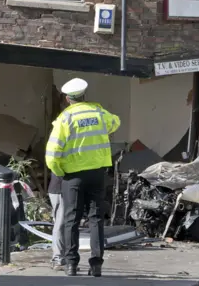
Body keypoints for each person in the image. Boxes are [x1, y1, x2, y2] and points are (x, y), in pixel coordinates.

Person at [45, 78, 121, 277]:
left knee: (72, 219)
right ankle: (96, 265)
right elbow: (116, 122)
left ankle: (71, 264)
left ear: (68, 98)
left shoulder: (65, 118)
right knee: (96, 219)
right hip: (97, 174)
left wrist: (60, 172)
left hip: (73, 177)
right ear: (84, 95)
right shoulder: (99, 113)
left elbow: (52, 154)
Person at [48, 171, 65, 270]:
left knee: (61, 223)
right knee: (60, 224)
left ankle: (60, 258)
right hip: (60, 189)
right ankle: (58, 259)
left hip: (58, 188)